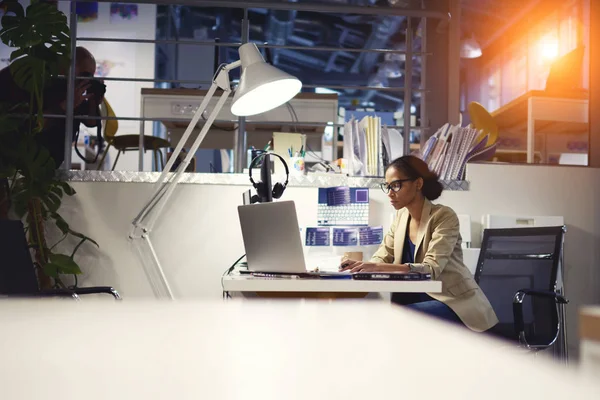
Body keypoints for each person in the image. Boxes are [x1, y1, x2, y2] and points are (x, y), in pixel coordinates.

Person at [340, 155, 498, 332]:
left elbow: (430, 268)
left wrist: (375, 266)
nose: (390, 193)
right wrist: (361, 267)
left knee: (391, 320)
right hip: (411, 301)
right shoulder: (401, 217)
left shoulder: (443, 216)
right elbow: (383, 255)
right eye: (387, 186)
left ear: (418, 184)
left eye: (396, 185)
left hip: (451, 304)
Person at [0, 46, 104, 168]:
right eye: (84, 74)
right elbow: (32, 126)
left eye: (89, 76)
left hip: (47, 167)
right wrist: (65, 105)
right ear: (67, 65)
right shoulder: (30, 78)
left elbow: (91, 122)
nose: (84, 79)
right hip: (15, 163)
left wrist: (93, 101)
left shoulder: (70, 89)